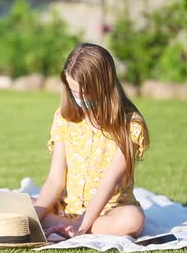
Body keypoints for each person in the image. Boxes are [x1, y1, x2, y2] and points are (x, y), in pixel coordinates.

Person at [34, 43, 149, 239]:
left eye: (84, 93)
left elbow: (110, 180)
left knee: (133, 219)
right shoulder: (65, 118)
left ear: (103, 86)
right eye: (74, 92)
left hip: (108, 210)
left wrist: (81, 225)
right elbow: (55, 179)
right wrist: (33, 217)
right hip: (66, 207)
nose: (78, 98)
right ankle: (62, 222)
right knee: (20, 205)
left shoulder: (130, 125)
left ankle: (73, 226)